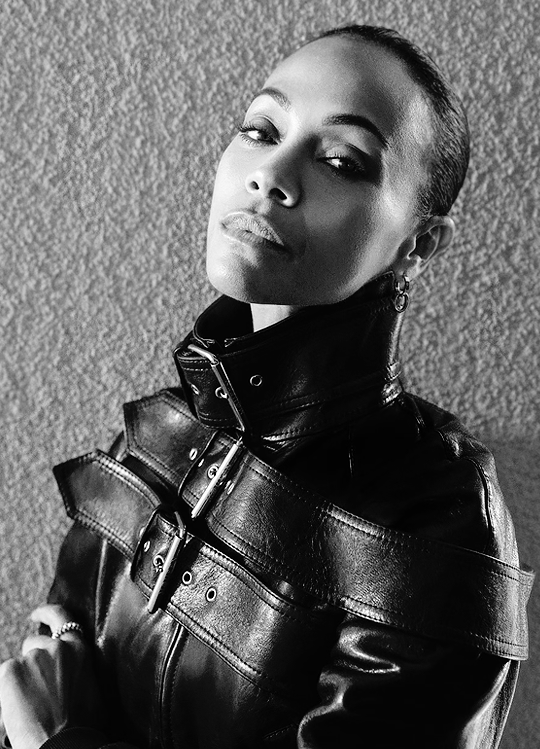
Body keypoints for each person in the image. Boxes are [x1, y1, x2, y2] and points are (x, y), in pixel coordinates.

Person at [0, 24, 534, 749]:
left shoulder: (438, 513)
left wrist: (57, 740)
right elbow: (41, 671)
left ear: (418, 244)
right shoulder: (163, 434)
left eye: (341, 160)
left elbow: (45, 716)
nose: (271, 174)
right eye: (260, 130)